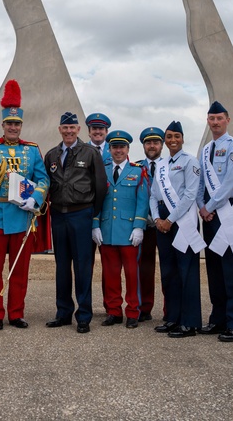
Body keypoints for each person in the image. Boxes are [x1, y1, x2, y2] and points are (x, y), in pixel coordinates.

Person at [0, 80, 49, 330]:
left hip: (23, 216)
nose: (13, 127)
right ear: (3, 125)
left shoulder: (32, 150)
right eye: (9, 124)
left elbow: (43, 178)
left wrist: (35, 199)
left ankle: (16, 313)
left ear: (21, 126)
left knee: (20, 269)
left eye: (17, 124)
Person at [44, 112, 108, 333]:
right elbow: (47, 184)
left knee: (82, 267)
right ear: (60, 129)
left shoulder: (90, 153)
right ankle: (63, 313)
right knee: (62, 266)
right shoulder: (52, 155)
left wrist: (92, 213)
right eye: (65, 128)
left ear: (79, 130)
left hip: (81, 214)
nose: (69, 131)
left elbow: (101, 186)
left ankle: (83, 315)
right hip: (58, 216)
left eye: (72, 128)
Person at [197, 101, 233, 342]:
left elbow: (231, 180)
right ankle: (218, 319)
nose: (215, 122)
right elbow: (199, 183)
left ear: (227, 120)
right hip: (209, 214)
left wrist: (210, 206)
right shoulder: (206, 150)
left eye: (219, 118)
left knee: (232, 269)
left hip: (228, 212)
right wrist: (201, 206)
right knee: (215, 269)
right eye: (211, 118)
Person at [149, 121, 205, 338]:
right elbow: (154, 195)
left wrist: (170, 220)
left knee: (187, 272)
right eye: (169, 136)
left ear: (182, 139)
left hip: (182, 221)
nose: (173, 140)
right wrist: (157, 218)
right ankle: (173, 318)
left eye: (177, 136)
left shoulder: (191, 162)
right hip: (162, 221)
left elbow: (190, 195)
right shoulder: (161, 165)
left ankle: (190, 322)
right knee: (169, 272)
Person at [95, 130, 148, 328]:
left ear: (128, 149)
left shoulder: (137, 171)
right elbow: (97, 200)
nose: (118, 151)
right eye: (115, 147)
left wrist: (139, 227)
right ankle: (114, 311)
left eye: (122, 147)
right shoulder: (102, 169)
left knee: (132, 274)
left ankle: (133, 311)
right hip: (107, 230)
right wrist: (95, 225)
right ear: (109, 149)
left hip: (129, 233)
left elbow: (142, 202)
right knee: (110, 274)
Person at [137, 127, 164, 322]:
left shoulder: (170, 166)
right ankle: (144, 308)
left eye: (155, 142)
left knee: (169, 268)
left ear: (161, 145)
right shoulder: (136, 167)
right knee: (144, 269)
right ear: (144, 146)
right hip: (144, 225)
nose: (152, 146)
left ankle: (170, 309)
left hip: (165, 224)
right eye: (148, 143)